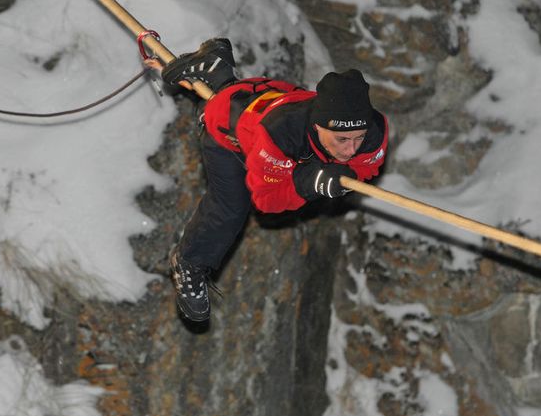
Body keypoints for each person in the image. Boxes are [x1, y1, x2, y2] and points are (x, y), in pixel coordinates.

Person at [153, 38, 388, 321]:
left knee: (252, 107)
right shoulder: (280, 134)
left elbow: (366, 168)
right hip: (229, 135)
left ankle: (218, 69)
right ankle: (189, 261)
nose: (351, 149)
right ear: (318, 124)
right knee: (230, 208)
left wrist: (346, 174)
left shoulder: (373, 131)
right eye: (342, 139)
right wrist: (310, 184)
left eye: (357, 139)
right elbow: (267, 201)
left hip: (270, 96)